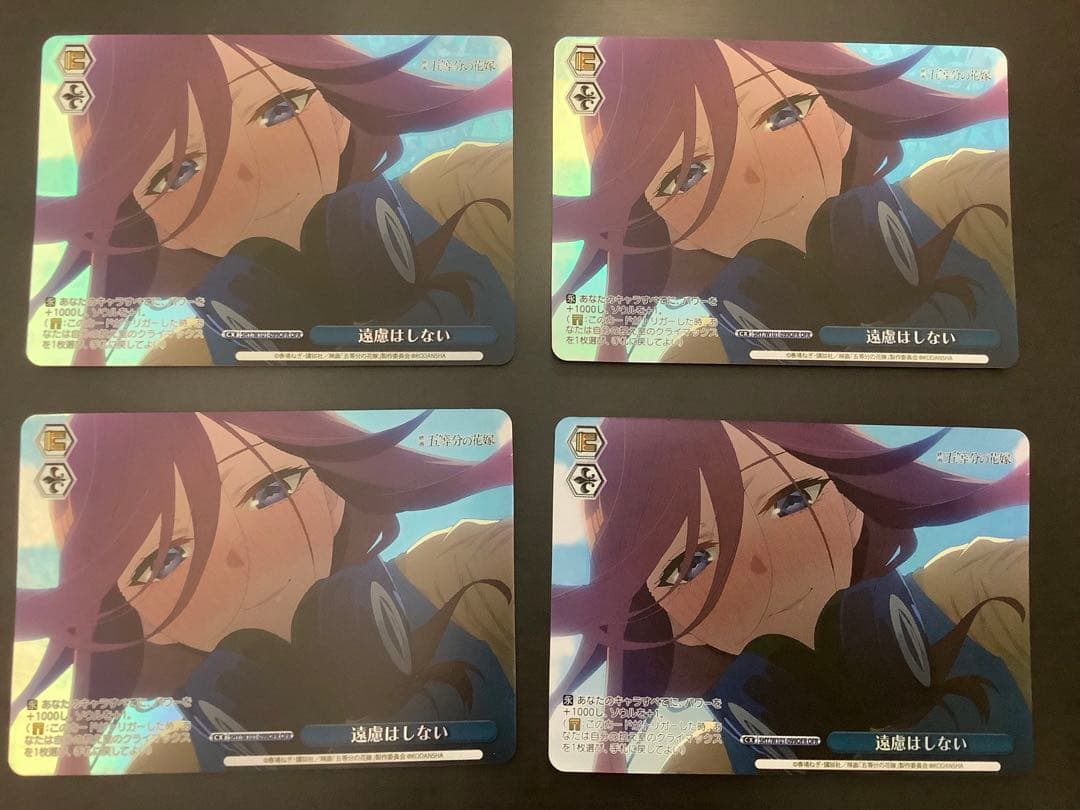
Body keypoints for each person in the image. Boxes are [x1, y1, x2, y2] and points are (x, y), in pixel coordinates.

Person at [14, 410, 514, 773]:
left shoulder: (461, 575)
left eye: (272, 489)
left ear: (333, 494)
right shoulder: (174, 765)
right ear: (138, 617)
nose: (236, 557)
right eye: (165, 560)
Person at [551, 418, 1030, 772]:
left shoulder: (980, 591)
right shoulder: (705, 771)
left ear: (851, 505)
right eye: (692, 562)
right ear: (665, 617)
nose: (758, 563)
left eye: (793, 499)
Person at [33, 35, 515, 364]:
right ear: (149, 226)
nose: (247, 172)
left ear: (339, 113)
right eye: (179, 172)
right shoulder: (185, 363)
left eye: (280, 109)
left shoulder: (465, 194)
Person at [553, 40, 1014, 363]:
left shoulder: (964, 198)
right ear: (664, 228)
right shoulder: (701, 361)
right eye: (688, 175)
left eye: (784, 113)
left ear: (841, 120)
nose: (751, 175)